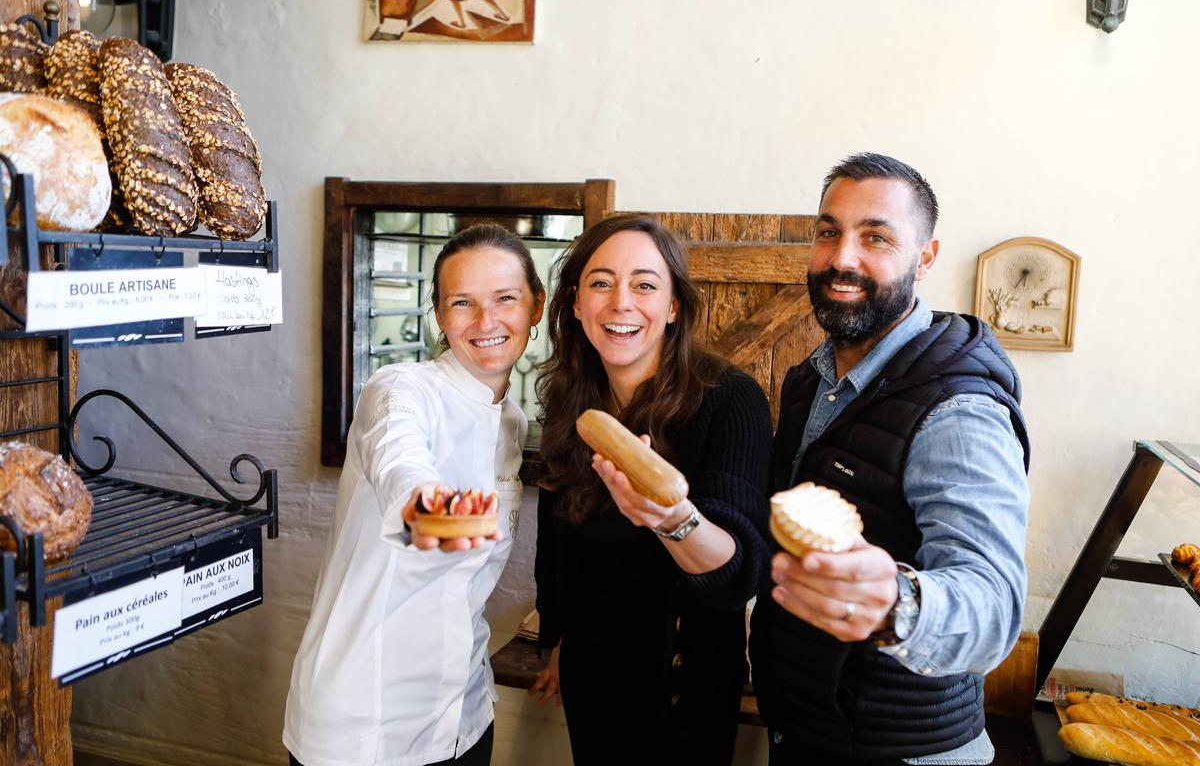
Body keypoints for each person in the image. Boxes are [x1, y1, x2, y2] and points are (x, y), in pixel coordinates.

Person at [749, 153, 1031, 765]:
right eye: (829, 232)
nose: (842, 258)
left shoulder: (957, 407)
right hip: (810, 729)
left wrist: (895, 605)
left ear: (925, 258)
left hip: (901, 749)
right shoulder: (810, 379)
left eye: (875, 236)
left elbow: (993, 606)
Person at [283, 223, 545, 766]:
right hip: (366, 719)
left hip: (464, 711)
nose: (487, 321)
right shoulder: (400, 390)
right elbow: (411, 491)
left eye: (505, 299)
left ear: (536, 308)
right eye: (462, 303)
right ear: (440, 315)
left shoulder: (511, 424)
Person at [528, 213, 773, 765]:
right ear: (574, 302)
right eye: (600, 282)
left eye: (644, 284)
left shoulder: (730, 400)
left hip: (686, 682)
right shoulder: (570, 403)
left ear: (673, 307)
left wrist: (671, 519)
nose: (621, 302)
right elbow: (557, 545)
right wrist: (557, 639)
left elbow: (739, 575)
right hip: (593, 672)